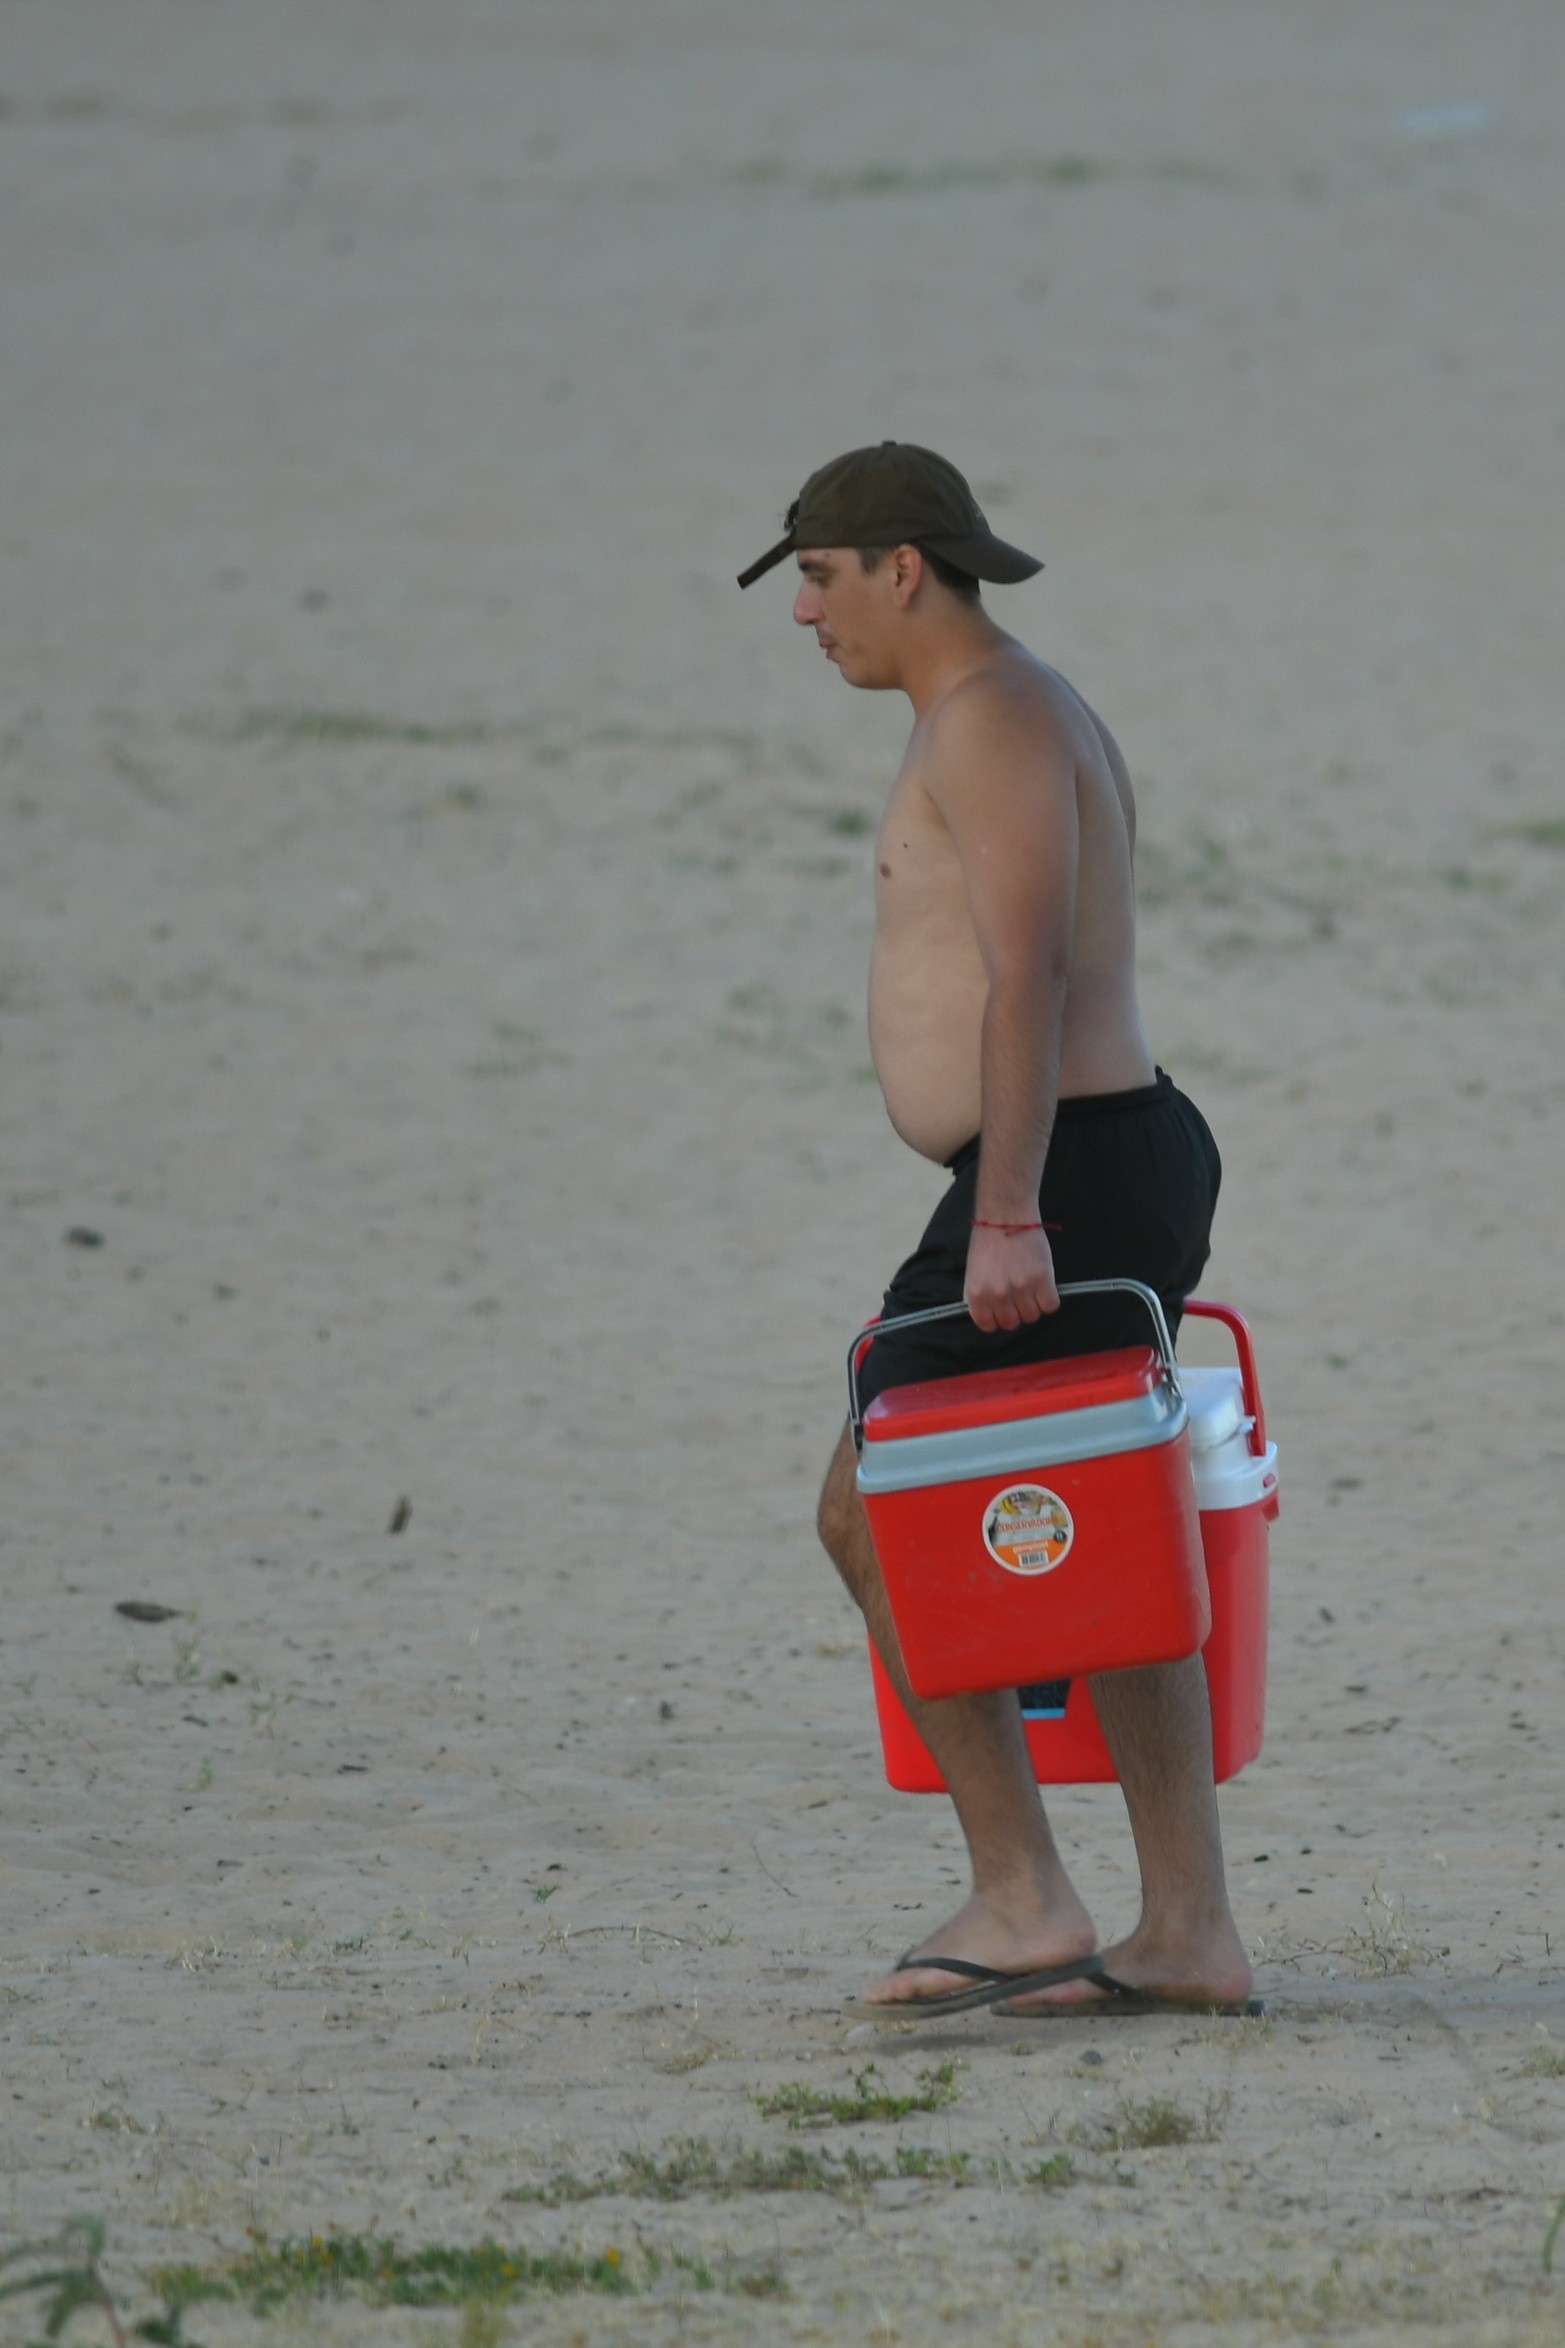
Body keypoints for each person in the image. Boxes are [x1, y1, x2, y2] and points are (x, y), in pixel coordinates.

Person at [738, 443, 1256, 2018]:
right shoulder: (991, 713)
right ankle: (1180, 1932)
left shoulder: (1001, 717)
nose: (806, 615)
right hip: (1073, 1163)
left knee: (869, 1504)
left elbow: (1025, 973)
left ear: (904, 565)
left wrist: (1010, 1209)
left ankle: (1027, 1894)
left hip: (1067, 1172)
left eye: (819, 578)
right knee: (1097, 1521)